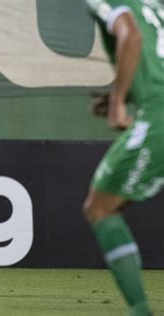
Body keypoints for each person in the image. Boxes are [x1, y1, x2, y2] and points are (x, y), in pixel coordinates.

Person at [85, 0, 164, 315]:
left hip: (158, 114)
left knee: (100, 208)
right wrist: (123, 92)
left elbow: (130, 36)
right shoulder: (155, 7)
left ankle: (140, 311)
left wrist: (119, 101)